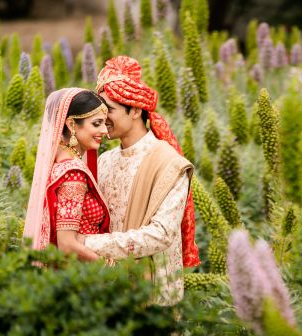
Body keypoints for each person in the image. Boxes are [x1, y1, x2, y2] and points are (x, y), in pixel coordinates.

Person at [77, 56, 200, 305]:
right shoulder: (104, 161)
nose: (101, 118)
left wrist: (86, 243)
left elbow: (161, 234)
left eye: (108, 110)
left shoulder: (169, 163)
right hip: (111, 292)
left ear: (134, 110)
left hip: (154, 294)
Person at [23, 88, 110, 260]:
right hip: (82, 275)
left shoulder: (59, 164)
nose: (105, 131)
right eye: (96, 123)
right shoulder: (73, 173)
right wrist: (109, 268)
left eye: (105, 124)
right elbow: (67, 245)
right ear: (71, 125)